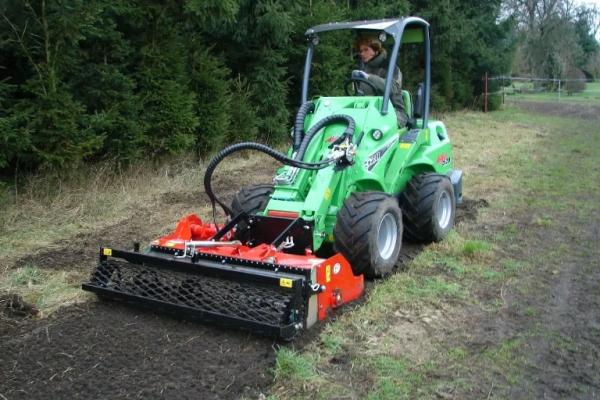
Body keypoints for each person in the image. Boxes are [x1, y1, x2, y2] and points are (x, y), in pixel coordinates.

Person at [352, 36, 408, 128]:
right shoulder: (364, 69)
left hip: (393, 112)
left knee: (378, 128)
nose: (362, 53)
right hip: (369, 112)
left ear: (375, 49)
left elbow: (393, 87)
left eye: (366, 50)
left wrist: (370, 77)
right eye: (361, 51)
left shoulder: (390, 67)